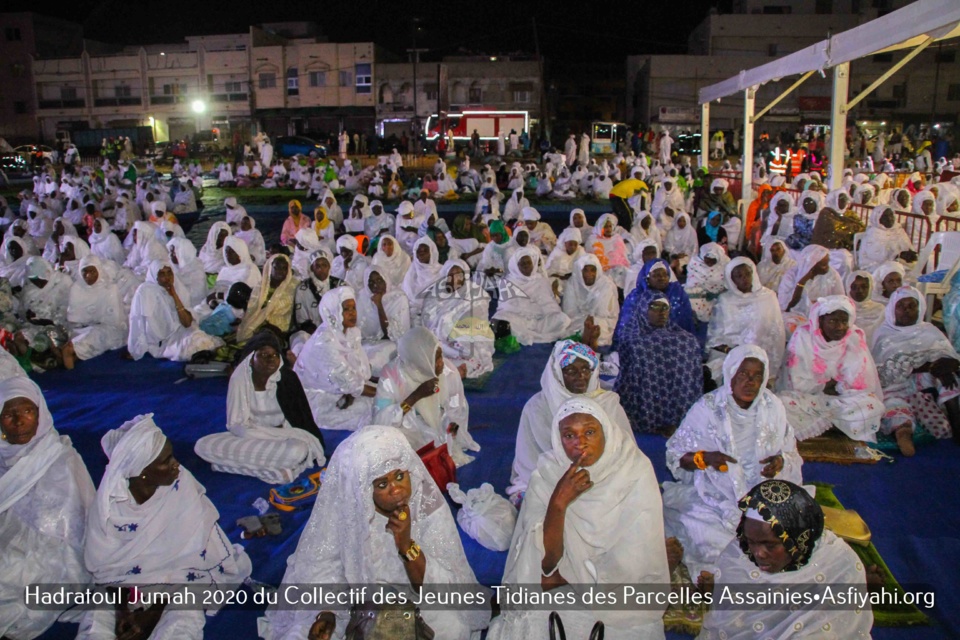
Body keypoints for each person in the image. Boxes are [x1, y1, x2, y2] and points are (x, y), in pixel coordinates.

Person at [263, 425, 490, 640]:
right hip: (354, 605)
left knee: (452, 627)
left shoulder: (427, 506)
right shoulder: (349, 509)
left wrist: (406, 545)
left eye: (400, 476)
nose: (397, 489)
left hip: (418, 602)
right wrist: (327, 613)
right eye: (382, 484)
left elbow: (442, 588)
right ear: (363, 489)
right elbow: (324, 568)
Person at [489, 397, 669, 640]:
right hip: (564, 579)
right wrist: (558, 502)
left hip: (619, 586)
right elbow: (546, 564)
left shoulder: (634, 470)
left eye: (590, 432)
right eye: (569, 435)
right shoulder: (548, 472)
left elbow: (637, 561)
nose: (580, 443)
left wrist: (581, 579)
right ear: (558, 438)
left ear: (606, 431)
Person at [79, 414, 252, 640]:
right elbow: (105, 572)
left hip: (182, 584)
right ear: (141, 472)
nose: (176, 464)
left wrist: (154, 611)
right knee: (97, 616)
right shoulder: (108, 508)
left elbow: (195, 562)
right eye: (166, 460)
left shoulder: (182, 487)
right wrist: (123, 612)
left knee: (183, 618)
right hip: (125, 586)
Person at [662, 345, 802, 578]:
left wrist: (780, 462)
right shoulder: (708, 408)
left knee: (792, 536)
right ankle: (719, 576)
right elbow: (676, 456)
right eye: (743, 375)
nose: (750, 383)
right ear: (730, 375)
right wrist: (704, 458)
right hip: (714, 496)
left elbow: (790, 452)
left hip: (765, 497)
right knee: (707, 534)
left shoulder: (773, 407)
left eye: (757, 376)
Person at [698, 480, 873, 640]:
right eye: (751, 541)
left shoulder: (838, 564)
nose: (758, 553)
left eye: (770, 545)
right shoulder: (736, 555)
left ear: (797, 539)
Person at [0, 377, 95, 639]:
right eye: (9, 414)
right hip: (8, 537)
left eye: (28, 411)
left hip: (54, 550)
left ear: (40, 413)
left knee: (10, 578)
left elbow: (77, 522)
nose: (19, 422)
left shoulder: (59, 455)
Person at [507, 340, 632, 504]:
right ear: (557, 373)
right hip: (552, 478)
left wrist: (597, 476)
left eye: (585, 370)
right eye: (570, 371)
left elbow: (626, 452)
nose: (580, 377)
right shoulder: (538, 407)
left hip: (602, 477)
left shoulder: (607, 404)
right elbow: (530, 460)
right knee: (539, 502)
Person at [194, 332, 326, 484]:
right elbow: (236, 425)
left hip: (286, 437)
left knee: (297, 451)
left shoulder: (287, 379)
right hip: (251, 437)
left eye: (275, 355)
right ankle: (277, 471)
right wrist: (262, 434)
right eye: (263, 354)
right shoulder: (240, 379)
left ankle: (226, 466)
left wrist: (279, 434)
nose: (270, 359)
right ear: (251, 359)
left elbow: (303, 420)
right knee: (202, 445)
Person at [776, 295, 885, 442]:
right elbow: (795, 383)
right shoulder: (803, 336)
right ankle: (840, 426)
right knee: (783, 402)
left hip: (842, 400)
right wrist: (826, 385)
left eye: (843, 321)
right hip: (809, 400)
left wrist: (838, 387)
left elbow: (861, 383)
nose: (839, 327)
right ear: (820, 321)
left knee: (873, 405)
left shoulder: (853, 338)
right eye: (833, 321)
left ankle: (823, 425)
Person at [373, 326, 480, 466]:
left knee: (442, 451)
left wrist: (451, 429)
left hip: (440, 426)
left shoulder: (448, 373)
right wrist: (415, 396)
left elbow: (456, 410)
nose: (441, 363)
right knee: (392, 447)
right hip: (406, 425)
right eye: (434, 359)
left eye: (440, 355)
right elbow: (380, 421)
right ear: (420, 360)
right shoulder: (391, 375)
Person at [871, 286, 960, 450]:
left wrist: (944, 367)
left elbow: (949, 357)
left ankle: (957, 423)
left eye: (912, 306)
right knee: (896, 411)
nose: (907, 311)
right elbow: (886, 371)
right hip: (894, 387)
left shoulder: (929, 330)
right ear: (892, 309)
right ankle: (904, 433)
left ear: (920, 308)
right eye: (901, 306)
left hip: (925, 387)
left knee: (949, 377)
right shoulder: (883, 334)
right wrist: (931, 366)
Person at [614, 289, 702, 433]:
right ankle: (651, 419)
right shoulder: (632, 337)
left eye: (665, 308)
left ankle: (678, 418)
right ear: (643, 308)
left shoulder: (684, 338)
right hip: (645, 402)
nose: (661, 313)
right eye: (654, 307)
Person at [294, 287, 377, 430]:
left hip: (344, 392)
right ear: (333, 312)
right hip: (319, 400)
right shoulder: (324, 341)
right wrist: (383, 393)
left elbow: (358, 374)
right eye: (346, 309)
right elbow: (349, 381)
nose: (352, 313)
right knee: (374, 411)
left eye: (354, 308)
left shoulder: (351, 333)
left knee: (380, 403)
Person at [705, 258, 786, 386]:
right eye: (739, 276)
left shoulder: (768, 297)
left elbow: (776, 332)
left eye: (748, 274)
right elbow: (716, 338)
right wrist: (734, 351)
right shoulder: (725, 301)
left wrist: (755, 352)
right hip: (731, 353)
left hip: (763, 352)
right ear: (731, 279)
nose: (745, 279)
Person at [128, 261, 224, 361]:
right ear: (154, 276)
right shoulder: (145, 291)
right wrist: (136, 347)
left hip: (179, 331)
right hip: (161, 341)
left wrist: (174, 294)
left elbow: (186, 323)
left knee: (201, 340)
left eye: (169, 273)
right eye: (162, 274)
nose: (167, 278)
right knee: (192, 348)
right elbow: (137, 322)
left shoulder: (177, 288)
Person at [421, 259, 495, 379]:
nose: (455, 279)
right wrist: (443, 330)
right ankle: (447, 368)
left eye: (459, 275)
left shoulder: (475, 292)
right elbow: (427, 320)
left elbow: (476, 321)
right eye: (451, 275)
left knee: (470, 349)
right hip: (439, 338)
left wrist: (451, 330)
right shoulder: (435, 293)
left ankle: (457, 369)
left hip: (465, 337)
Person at [493, 248, 573, 346]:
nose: (526, 266)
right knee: (499, 320)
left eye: (528, 263)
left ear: (533, 263)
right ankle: (529, 331)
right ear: (516, 266)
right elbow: (507, 306)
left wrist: (550, 302)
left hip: (540, 320)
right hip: (518, 318)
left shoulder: (542, 280)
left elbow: (550, 304)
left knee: (562, 319)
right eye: (522, 264)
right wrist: (532, 309)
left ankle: (522, 332)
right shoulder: (507, 282)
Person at [61, 256, 128, 368]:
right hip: (82, 328)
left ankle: (70, 377)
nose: (88, 275)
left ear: (99, 270)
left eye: (92, 271)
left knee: (68, 349)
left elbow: (114, 320)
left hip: (107, 329)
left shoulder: (110, 289)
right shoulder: (77, 288)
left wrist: (91, 322)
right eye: (84, 271)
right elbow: (74, 318)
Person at [616, 258, 695, 340]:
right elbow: (626, 327)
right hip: (642, 341)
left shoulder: (677, 292)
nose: (661, 278)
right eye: (656, 275)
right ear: (647, 279)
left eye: (665, 275)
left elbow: (686, 323)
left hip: (675, 340)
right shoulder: (637, 296)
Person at [778, 244, 845, 336]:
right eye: (823, 265)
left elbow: (840, 300)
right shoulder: (792, 274)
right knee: (790, 327)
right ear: (812, 265)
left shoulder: (832, 275)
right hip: (797, 314)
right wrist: (803, 280)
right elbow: (787, 306)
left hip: (824, 315)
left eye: (827, 263)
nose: (827, 267)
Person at [356, 265, 410, 375]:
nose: (375, 285)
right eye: (370, 282)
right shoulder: (363, 297)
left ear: (385, 279)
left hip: (392, 343)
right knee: (357, 356)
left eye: (379, 280)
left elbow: (391, 335)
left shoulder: (398, 298)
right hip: (368, 343)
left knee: (377, 357)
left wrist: (379, 305)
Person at [237, 253, 298, 343]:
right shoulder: (261, 286)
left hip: (279, 329)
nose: (280, 271)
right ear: (269, 268)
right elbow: (252, 309)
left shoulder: (294, 287)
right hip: (256, 324)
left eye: (284, 268)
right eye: (276, 268)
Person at [560, 254, 619, 347]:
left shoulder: (607, 285)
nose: (589, 274)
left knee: (599, 329)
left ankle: (589, 342)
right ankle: (588, 341)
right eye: (585, 270)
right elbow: (569, 312)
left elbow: (608, 314)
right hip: (578, 320)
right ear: (579, 271)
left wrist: (593, 320)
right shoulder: (572, 283)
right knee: (569, 327)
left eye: (593, 270)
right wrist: (586, 320)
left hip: (602, 321)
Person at [858, 205, 916, 273]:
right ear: (878, 218)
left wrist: (908, 254)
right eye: (885, 216)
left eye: (891, 215)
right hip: (875, 265)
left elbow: (907, 246)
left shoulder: (898, 230)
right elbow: (876, 256)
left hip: (897, 263)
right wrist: (898, 255)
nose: (889, 218)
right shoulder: (872, 233)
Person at [684, 243, 730, 324]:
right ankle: (693, 316)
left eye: (713, 259)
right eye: (707, 258)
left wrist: (716, 294)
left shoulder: (726, 265)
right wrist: (702, 292)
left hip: (718, 294)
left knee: (725, 303)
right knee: (688, 297)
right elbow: (692, 283)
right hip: (698, 293)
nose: (709, 261)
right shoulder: (696, 263)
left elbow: (729, 284)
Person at [402, 236, 444, 327]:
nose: (421, 254)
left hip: (436, 317)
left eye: (425, 250)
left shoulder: (442, 272)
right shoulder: (411, 273)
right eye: (419, 251)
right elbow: (406, 298)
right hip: (413, 318)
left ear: (432, 252)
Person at [587, 213, 630, 288]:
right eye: (605, 227)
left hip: (618, 269)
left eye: (610, 226)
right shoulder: (593, 239)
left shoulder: (617, 238)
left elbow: (624, 256)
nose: (608, 229)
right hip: (601, 271)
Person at [845, 270, 885, 345]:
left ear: (870, 288)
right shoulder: (844, 310)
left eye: (864, 287)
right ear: (848, 288)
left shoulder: (880, 309)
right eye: (854, 287)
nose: (859, 290)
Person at [166, 237, 208, 308]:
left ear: (183, 254)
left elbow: (196, 295)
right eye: (170, 252)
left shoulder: (197, 271)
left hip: (193, 307)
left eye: (174, 253)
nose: (170, 255)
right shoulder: (171, 266)